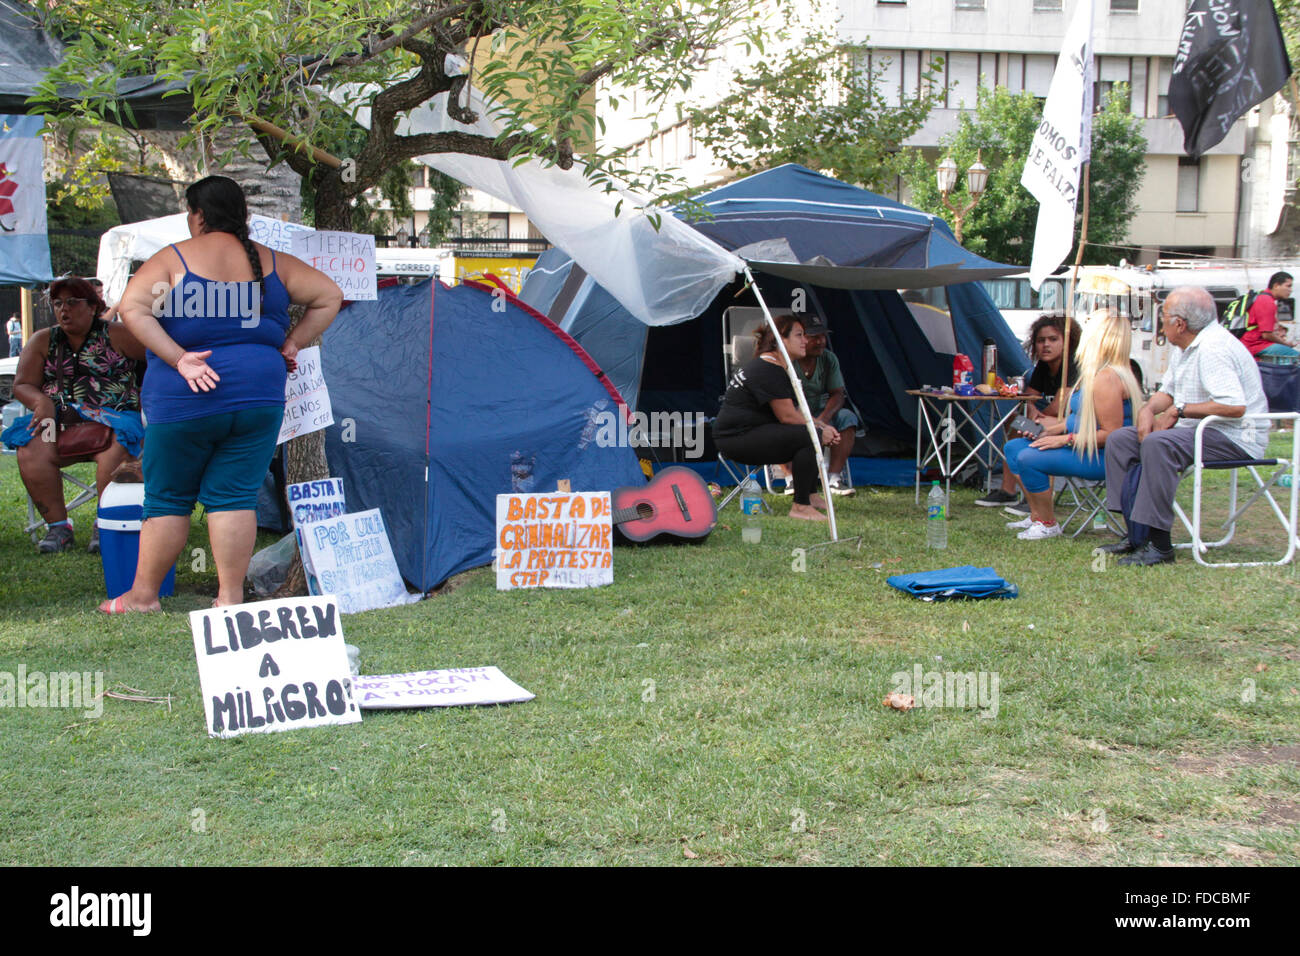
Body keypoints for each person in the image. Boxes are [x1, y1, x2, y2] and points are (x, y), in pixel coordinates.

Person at [100, 175, 343, 613]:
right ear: (243, 216)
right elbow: (329, 295)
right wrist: (291, 344)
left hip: (184, 399)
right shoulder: (272, 262)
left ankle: (142, 597)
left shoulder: (174, 260)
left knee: (169, 497)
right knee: (233, 496)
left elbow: (132, 309)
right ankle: (229, 599)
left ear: (196, 216)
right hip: (258, 396)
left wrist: (179, 359)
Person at [1103, 286, 1270, 566]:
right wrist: (1148, 409)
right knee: (1121, 439)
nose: (1160, 321)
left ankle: (1160, 546)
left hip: (1235, 436)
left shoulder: (1213, 348)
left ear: (1179, 324)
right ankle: (1136, 532)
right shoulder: (1186, 346)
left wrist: (1179, 410)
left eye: (1163, 315)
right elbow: (1167, 392)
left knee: (1159, 444)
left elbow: (1234, 406)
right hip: (1200, 430)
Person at [2, 278, 146, 553]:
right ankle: (59, 528)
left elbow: (159, 358)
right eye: (57, 304)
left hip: (114, 417)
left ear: (92, 306)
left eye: (72, 302)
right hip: (59, 418)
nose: (63, 310)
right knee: (31, 447)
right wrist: (40, 400)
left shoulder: (117, 334)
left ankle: (105, 523)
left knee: (118, 445)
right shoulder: (43, 339)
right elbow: (22, 384)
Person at [1002, 310, 1143, 540]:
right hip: (1086, 447)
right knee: (1014, 447)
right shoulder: (1099, 372)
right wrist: (1051, 430)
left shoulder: (1107, 378)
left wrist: (1063, 439)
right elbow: (1082, 419)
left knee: (1029, 457)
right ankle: (1038, 515)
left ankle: (1048, 524)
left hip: (1105, 457)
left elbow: (1113, 434)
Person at [713, 314, 840, 522]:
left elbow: (797, 412)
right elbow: (788, 416)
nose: (805, 341)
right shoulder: (768, 368)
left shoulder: (777, 366)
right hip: (735, 439)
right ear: (781, 339)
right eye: (799, 335)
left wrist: (821, 425)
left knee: (812, 432)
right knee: (809, 436)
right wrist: (819, 431)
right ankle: (800, 507)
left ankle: (810, 495)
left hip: (751, 433)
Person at [976, 313, 1082, 510]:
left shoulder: (1072, 365)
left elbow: (1061, 406)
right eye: (1041, 340)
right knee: (1015, 421)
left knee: (1027, 426)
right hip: (1052, 421)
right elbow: (1028, 398)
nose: (1045, 345)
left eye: (1053, 339)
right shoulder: (1044, 365)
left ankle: (1033, 496)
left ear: (1067, 342)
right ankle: (1009, 491)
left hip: (1073, 425)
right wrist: (1031, 409)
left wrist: (1038, 416)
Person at [789, 320, 858, 496]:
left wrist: (822, 421)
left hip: (820, 412)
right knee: (779, 421)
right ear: (801, 339)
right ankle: (791, 479)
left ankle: (834, 479)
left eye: (823, 336)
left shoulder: (828, 358)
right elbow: (783, 401)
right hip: (792, 411)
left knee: (847, 418)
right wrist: (811, 422)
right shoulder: (787, 360)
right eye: (815, 337)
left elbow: (837, 394)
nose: (821, 341)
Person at [1241, 271, 1298, 362]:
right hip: (1256, 345)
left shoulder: (1263, 297)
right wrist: (1286, 344)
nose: (1290, 290)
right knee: (1296, 357)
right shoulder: (1266, 301)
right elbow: (1267, 334)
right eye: (1288, 286)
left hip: (1254, 344)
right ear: (1276, 286)